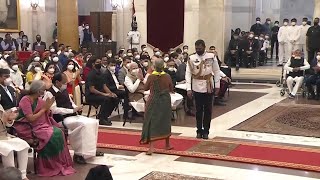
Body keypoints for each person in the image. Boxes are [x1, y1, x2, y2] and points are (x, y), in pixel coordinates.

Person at [14, 80, 76, 176]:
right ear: (38, 91)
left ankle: (57, 164)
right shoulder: (26, 100)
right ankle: (47, 166)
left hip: (39, 125)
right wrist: (44, 109)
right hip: (26, 127)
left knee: (59, 132)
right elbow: (30, 118)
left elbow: (46, 113)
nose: (45, 92)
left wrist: (48, 110)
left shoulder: (39, 100)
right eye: (43, 90)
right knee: (50, 135)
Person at [44, 73, 101, 164]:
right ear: (57, 82)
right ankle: (79, 154)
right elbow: (53, 110)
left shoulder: (64, 90)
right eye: (64, 82)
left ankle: (90, 150)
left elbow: (70, 102)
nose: (65, 84)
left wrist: (77, 108)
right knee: (83, 125)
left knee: (93, 122)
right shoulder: (49, 93)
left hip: (72, 114)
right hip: (61, 118)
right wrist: (71, 111)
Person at [185, 40, 220, 139]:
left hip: (209, 85)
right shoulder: (192, 58)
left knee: (208, 110)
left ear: (204, 47)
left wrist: (217, 85)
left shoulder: (211, 56)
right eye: (196, 48)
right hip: (196, 86)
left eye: (200, 48)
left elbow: (216, 71)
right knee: (198, 110)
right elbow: (188, 73)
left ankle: (206, 131)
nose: (198, 50)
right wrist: (188, 88)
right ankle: (199, 130)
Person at [140, 58, 173, 155]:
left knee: (151, 120)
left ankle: (151, 147)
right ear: (163, 66)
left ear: (154, 66)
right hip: (165, 100)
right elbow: (171, 88)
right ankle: (167, 144)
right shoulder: (167, 76)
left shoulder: (151, 77)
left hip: (154, 100)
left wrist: (142, 80)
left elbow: (145, 88)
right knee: (165, 120)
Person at [0, 103, 30, 180]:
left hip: (4, 136)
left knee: (23, 144)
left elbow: (7, 124)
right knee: (7, 149)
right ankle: (11, 176)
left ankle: (23, 175)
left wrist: (9, 119)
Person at [85, 57, 118, 126]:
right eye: (97, 62)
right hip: (91, 95)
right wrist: (104, 94)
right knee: (106, 99)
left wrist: (111, 93)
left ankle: (104, 116)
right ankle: (102, 119)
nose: (99, 63)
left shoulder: (101, 73)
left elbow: (104, 86)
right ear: (93, 64)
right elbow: (92, 89)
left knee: (115, 98)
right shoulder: (91, 74)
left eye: (100, 62)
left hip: (99, 94)